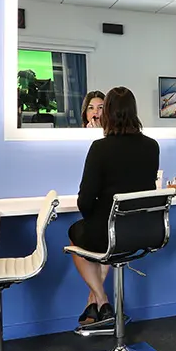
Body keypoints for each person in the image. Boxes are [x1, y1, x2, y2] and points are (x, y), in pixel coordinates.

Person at [68, 87, 160, 326]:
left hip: (111, 234)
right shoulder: (152, 146)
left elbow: (84, 201)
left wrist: (93, 218)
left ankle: (101, 299)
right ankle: (97, 302)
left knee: (80, 236)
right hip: (145, 231)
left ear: (107, 113)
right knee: (107, 236)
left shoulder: (100, 148)